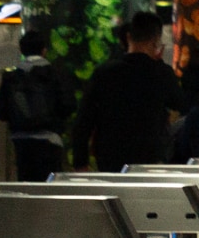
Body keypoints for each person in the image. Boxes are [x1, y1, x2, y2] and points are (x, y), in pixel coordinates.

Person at [67, 10, 182, 168]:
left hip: (110, 156)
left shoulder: (104, 73)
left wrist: (80, 162)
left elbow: (84, 120)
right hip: (149, 158)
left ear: (129, 37)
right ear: (156, 40)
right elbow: (180, 103)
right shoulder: (161, 73)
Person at [0, 28, 79, 182]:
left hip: (21, 142)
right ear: (44, 50)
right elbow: (68, 105)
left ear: (21, 50)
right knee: (49, 188)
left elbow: (0, 110)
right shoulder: (56, 74)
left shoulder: (11, 77)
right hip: (50, 141)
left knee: (26, 185)